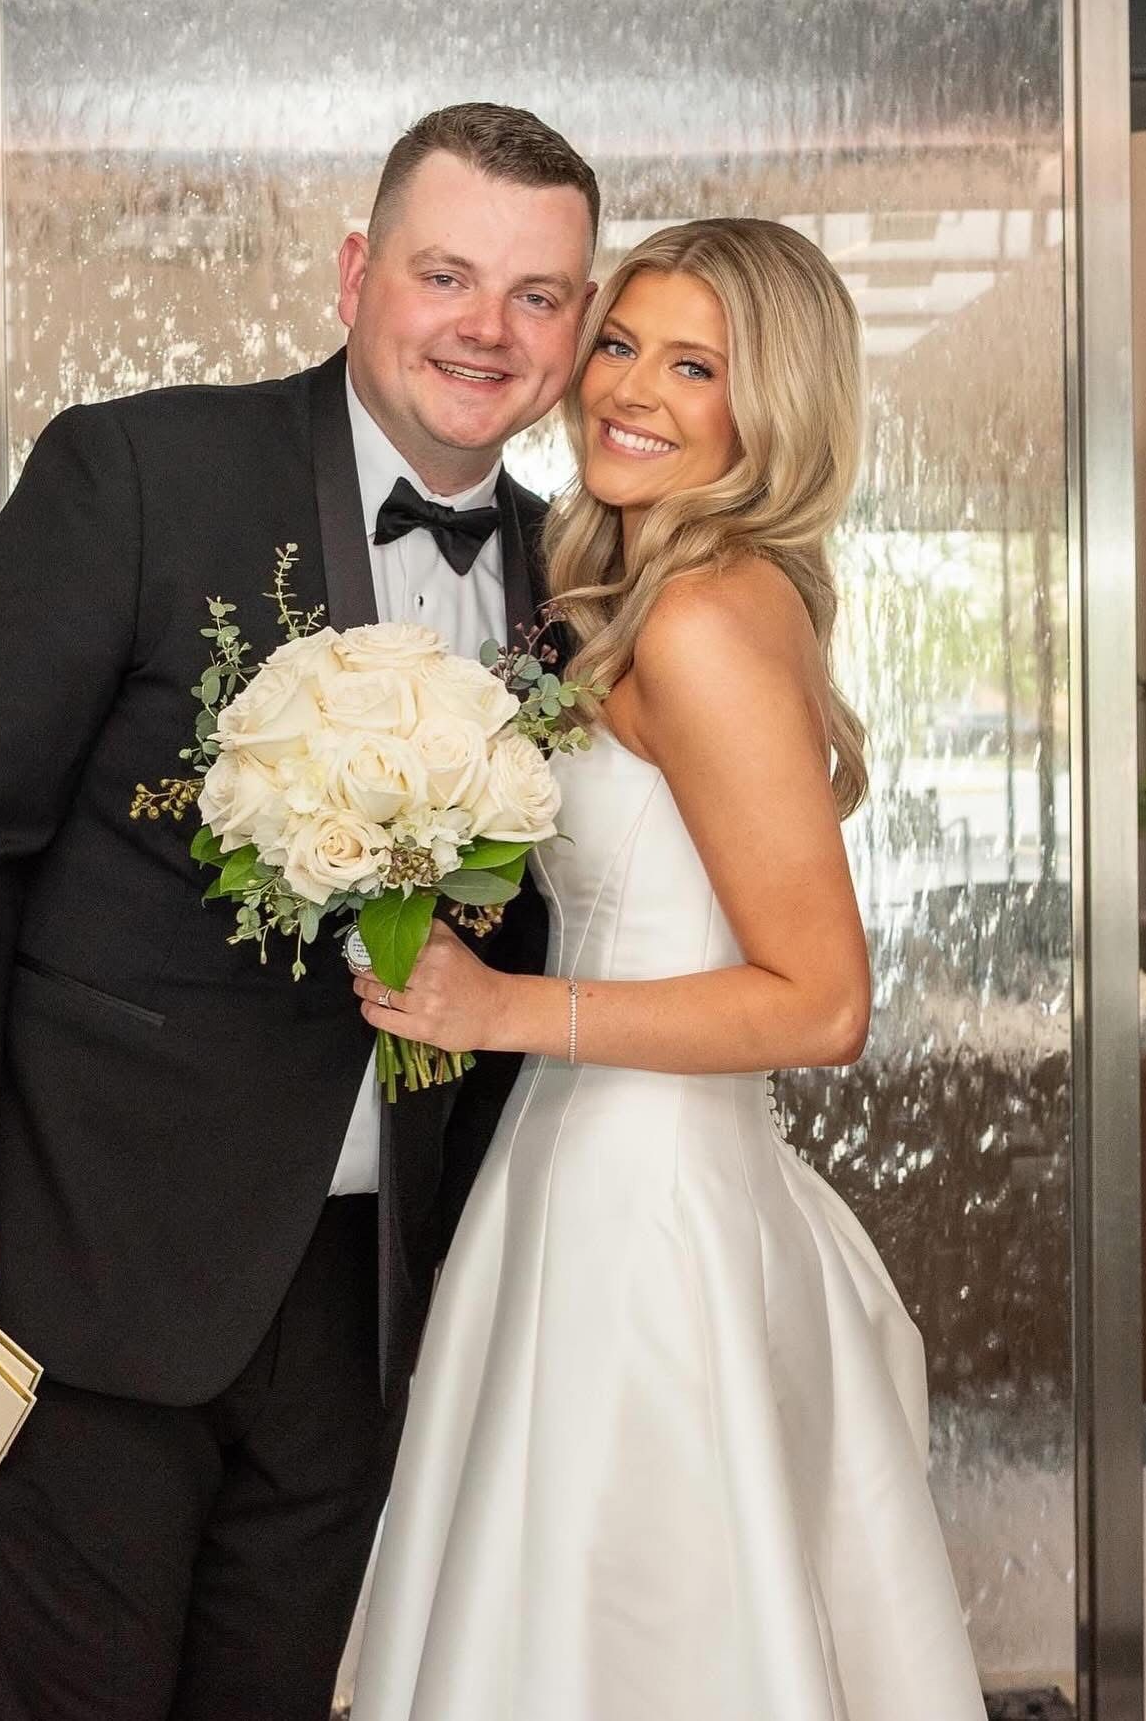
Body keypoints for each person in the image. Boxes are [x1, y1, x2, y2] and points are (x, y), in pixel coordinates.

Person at [0, 101, 597, 1721]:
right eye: (447, 272)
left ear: (577, 329)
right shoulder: (139, 469)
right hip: (91, 1260)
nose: (487, 327)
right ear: (354, 272)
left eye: (538, 294)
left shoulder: (572, 576)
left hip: (368, 1298)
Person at [349, 219, 987, 1721]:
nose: (627, 387)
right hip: (590, 1171)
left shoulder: (699, 617)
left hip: (641, 1209)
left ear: (769, 411)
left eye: (694, 364)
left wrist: (505, 1006)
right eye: (622, 342)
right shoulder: (652, 594)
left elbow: (823, 1002)